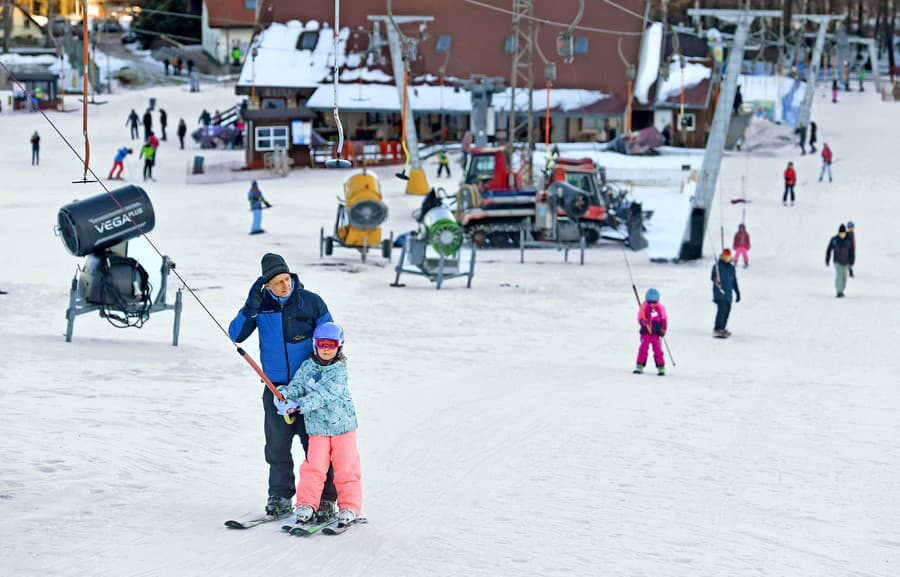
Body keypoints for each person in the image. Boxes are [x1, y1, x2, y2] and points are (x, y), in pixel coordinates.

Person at [228, 253, 338, 518]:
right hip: (275, 389)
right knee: (276, 446)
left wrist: (322, 381)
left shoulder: (311, 302)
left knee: (315, 447)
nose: (284, 286)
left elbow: (330, 340)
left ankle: (325, 498)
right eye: (277, 282)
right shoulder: (260, 306)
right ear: (266, 285)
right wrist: (249, 307)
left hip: (309, 390)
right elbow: (235, 334)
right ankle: (279, 496)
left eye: (286, 279)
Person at [276, 322, 362, 526]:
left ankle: (349, 506)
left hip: (342, 427)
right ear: (315, 344)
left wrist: (298, 406)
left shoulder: (339, 370)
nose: (326, 349)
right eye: (321, 344)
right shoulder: (308, 366)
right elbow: (298, 385)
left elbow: (325, 395)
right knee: (313, 467)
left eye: (331, 345)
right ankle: (306, 504)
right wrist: (286, 394)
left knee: (345, 467)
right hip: (317, 429)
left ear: (339, 347)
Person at [633, 288, 667, 376]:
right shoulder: (643, 307)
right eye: (650, 302)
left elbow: (664, 319)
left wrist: (663, 329)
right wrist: (643, 322)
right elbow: (640, 318)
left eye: (654, 302)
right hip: (645, 332)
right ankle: (639, 365)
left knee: (657, 349)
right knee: (643, 347)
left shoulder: (660, 308)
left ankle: (661, 367)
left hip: (655, 333)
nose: (652, 304)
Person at [711, 249, 740, 338]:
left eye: (728, 256)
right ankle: (717, 328)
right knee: (722, 310)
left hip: (728, 294)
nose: (727, 258)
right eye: (725, 256)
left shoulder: (731, 268)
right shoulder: (717, 266)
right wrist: (717, 281)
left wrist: (737, 292)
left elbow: (734, 280)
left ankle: (723, 328)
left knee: (727, 310)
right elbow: (713, 277)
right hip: (720, 293)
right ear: (722, 256)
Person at [826, 224, 854, 298]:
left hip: (846, 262)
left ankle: (841, 290)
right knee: (839, 275)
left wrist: (851, 261)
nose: (842, 235)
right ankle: (839, 291)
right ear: (838, 233)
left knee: (844, 277)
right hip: (837, 261)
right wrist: (827, 259)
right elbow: (829, 249)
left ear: (845, 233)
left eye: (843, 233)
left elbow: (852, 251)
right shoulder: (834, 240)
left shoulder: (848, 241)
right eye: (841, 233)